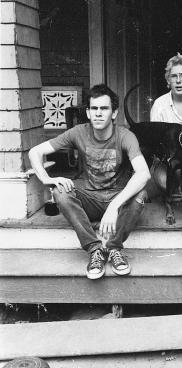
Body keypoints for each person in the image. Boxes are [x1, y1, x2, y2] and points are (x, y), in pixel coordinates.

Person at [29, 84, 151, 280]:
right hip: (90, 199)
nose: (98, 113)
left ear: (114, 113)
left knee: (141, 194)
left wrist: (114, 207)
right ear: (88, 112)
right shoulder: (78, 132)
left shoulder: (125, 136)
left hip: (118, 200)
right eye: (94, 108)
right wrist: (47, 179)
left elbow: (144, 174)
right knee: (60, 192)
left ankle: (113, 248)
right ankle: (95, 250)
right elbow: (35, 152)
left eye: (104, 108)